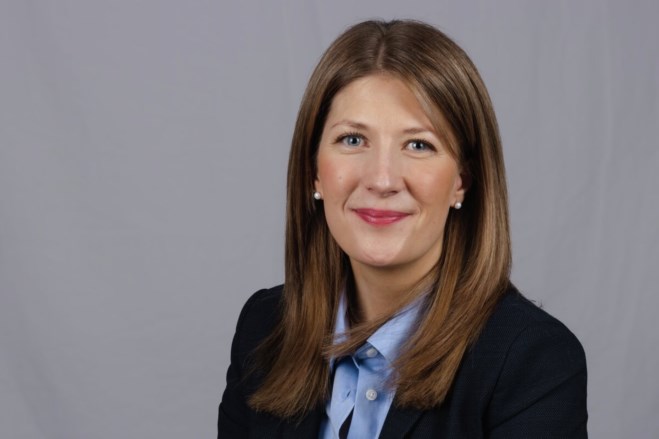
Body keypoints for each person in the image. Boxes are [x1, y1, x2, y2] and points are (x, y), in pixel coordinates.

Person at [218, 19, 587, 438]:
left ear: (462, 181)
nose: (382, 179)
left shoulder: (533, 362)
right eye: (353, 140)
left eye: (418, 145)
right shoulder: (264, 328)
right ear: (314, 172)